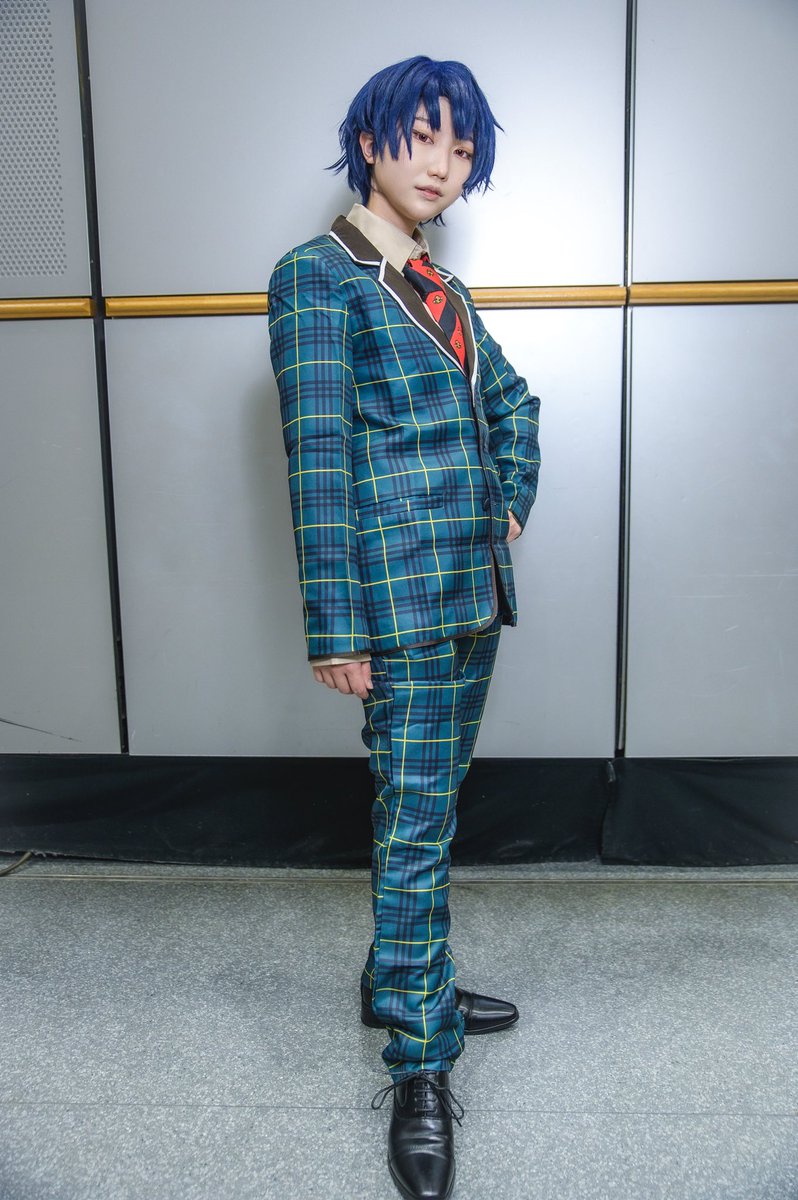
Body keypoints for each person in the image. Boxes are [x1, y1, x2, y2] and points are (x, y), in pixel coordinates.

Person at [268, 55, 541, 1200]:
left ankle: (403, 976)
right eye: (422, 136)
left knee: (426, 810)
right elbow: (320, 462)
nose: (442, 163)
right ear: (371, 140)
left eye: (462, 147)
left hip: (474, 600)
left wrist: (506, 504)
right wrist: (335, 628)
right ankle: (421, 1060)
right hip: (397, 613)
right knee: (417, 828)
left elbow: (513, 405)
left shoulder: (444, 288)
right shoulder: (315, 278)